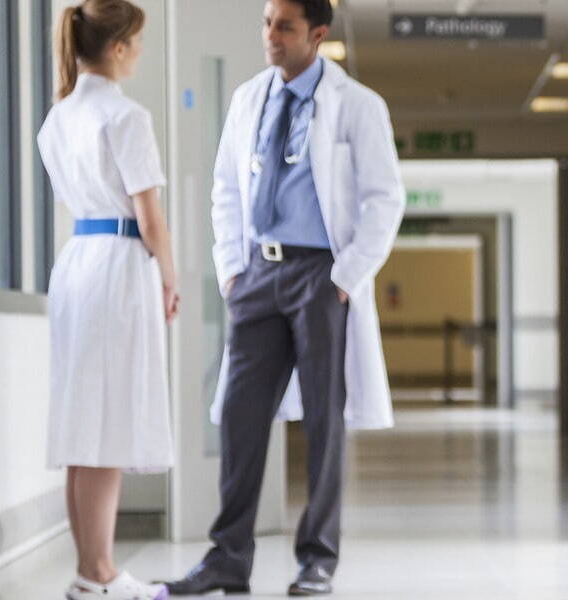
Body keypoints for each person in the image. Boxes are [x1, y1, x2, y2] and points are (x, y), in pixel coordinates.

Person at [162, 0, 405, 595]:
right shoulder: (249, 98)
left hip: (322, 276)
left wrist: (346, 277)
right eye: (267, 23)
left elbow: (385, 199)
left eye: (285, 26)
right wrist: (229, 271)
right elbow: (224, 186)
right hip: (257, 278)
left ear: (317, 34)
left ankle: (317, 559)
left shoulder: (358, 105)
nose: (270, 36)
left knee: (325, 419)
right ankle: (227, 557)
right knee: (242, 417)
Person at [37, 1, 175, 598]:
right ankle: (99, 572)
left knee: (83, 424)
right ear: (118, 48)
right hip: (119, 267)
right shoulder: (126, 117)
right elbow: (151, 219)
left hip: (77, 265)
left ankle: (91, 570)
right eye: (137, 43)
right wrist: (170, 276)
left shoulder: (57, 118)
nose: (139, 54)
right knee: (108, 424)